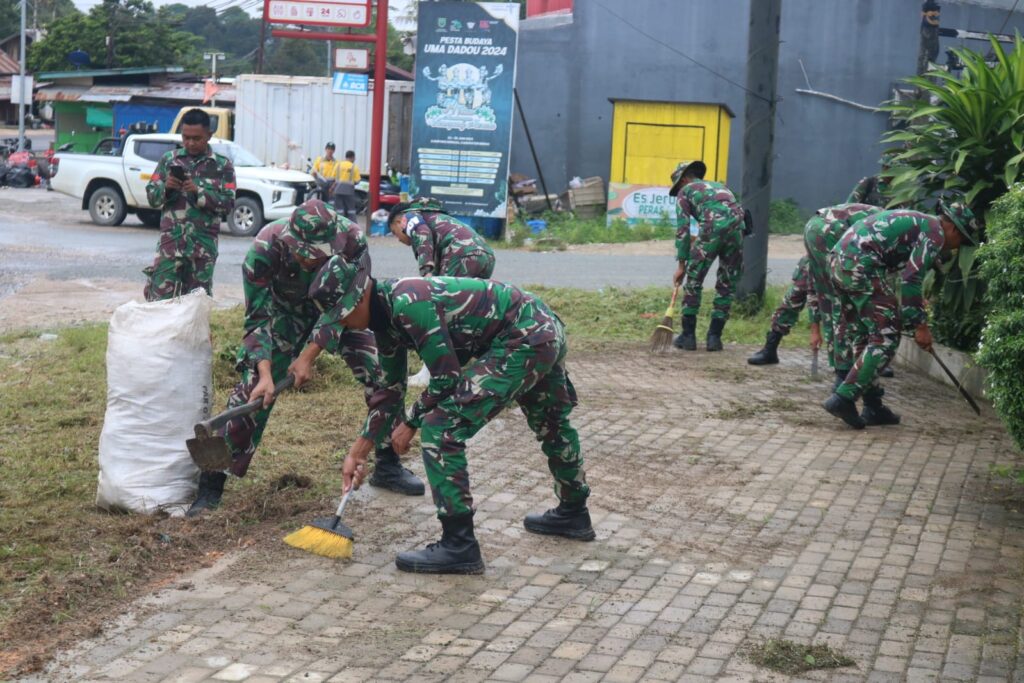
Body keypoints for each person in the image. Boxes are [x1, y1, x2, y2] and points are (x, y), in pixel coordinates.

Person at [314, 260, 593, 574]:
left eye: (342, 316)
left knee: (441, 428)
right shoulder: (385, 320)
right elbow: (388, 392)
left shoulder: (408, 303)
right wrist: (357, 453)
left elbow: (446, 378)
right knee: (552, 423)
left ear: (359, 297)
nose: (345, 326)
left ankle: (459, 545)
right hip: (541, 327)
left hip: (523, 336)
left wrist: (411, 422)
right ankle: (573, 512)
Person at [188, 200, 424, 516]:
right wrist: (266, 371)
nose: (311, 259)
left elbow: (349, 302)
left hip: (340, 311)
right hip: (285, 314)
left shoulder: (351, 239)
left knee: (381, 372)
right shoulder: (264, 249)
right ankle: (211, 484)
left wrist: (309, 356)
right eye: (304, 253)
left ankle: (387, 463)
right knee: (253, 388)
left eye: (319, 254)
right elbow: (257, 319)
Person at [824, 200, 977, 429]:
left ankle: (873, 406)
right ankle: (843, 399)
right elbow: (911, 279)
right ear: (953, 228)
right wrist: (920, 326)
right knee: (886, 337)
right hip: (860, 266)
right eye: (961, 241)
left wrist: (909, 307)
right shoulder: (935, 232)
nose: (956, 247)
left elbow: (904, 276)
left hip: (839, 263)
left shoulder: (920, 223)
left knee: (867, 336)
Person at [748, 203, 882, 369]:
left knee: (847, 300)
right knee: (801, 293)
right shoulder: (880, 222)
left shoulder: (881, 227)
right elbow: (817, 291)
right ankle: (771, 346)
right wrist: (814, 329)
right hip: (830, 239)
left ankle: (867, 357)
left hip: (836, 241)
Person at [143, 108, 235, 301]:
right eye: (186, 137)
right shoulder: (169, 160)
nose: (190, 143)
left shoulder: (222, 166)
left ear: (209, 135)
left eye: (197, 138)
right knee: (160, 303)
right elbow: (151, 198)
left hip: (202, 249)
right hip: (171, 246)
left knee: (196, 306)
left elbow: (228, 203)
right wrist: (166, 189)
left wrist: (198, 193)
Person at [668, 160, 746, 352]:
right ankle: (714, 338)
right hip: (737, 230)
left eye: (678, 184)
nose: (679, 188)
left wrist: (681, 266)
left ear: (684, 178)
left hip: (712, 228)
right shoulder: (720, 186)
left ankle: (688, 337)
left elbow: (683, 230)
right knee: (727, 284)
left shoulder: (685, 192)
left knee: (694, 281)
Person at [388, 196, 496, 278]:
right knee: (472, 301)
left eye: (394, 232)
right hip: (487, 256)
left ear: (398, 222)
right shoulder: (439, 218)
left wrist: (426, 271)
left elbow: (423, 233)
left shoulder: (408, 217)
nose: (398, 239)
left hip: (463, 253)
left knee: (446, 299)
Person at [746, 257, 814, 365]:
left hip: (838, 255)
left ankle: (843, 365)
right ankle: (770, 349)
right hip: (814, 256)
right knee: (793, 299)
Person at [334, 150, 362, 222]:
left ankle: (340, 225)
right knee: (351, 210)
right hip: (349, 192)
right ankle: (353, 226)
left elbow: (333, 177)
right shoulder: (354, 167)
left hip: (338, 191)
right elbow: (357, 181)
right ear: (352, 157)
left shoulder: (338, 165)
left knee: (339, 210)